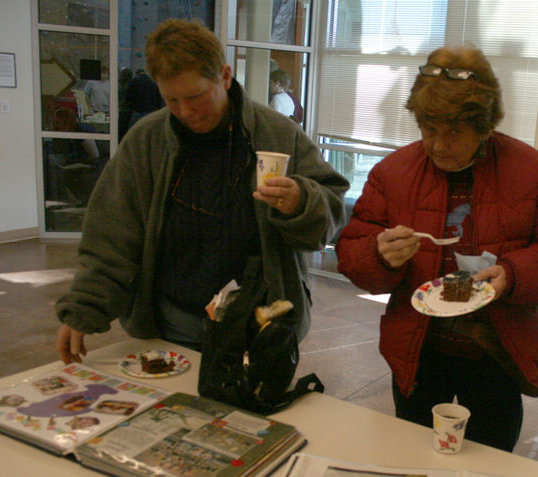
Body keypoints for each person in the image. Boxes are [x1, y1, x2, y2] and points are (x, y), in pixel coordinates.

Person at [336, 46, 538, 452]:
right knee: (415, 456)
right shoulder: (393, 173)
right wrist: (378, 255)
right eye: (428, 128)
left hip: (496, 352)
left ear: (485, 125)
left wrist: (513, 273)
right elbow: (351, 252)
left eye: (454, 131)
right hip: (418, 352)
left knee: (490, 461)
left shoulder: (530, 171)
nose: (437, 145)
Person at [55, 18, 348, 364]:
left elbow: (333, 211)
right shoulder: (146, 141)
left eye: (195, 96)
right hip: (172, 326)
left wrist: (302, 201)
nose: (186, 112)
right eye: (171, 100)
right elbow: (111, 237)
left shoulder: (278, 135)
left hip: (262, 326)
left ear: (225, 76)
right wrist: (85, 307)